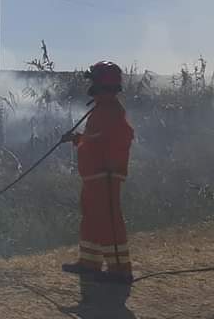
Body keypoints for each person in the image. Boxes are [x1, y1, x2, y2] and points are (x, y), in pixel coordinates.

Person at [61, 61, 134, 282]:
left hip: (105, 175)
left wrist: (78, 139)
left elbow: (110, 139)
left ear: (102, 84)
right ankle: (89, 263)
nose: (90, 85)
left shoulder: (111, 111)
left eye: (93, 80)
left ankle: (119, 269)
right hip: (93, 176)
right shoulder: (102, 109)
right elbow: (94, 139)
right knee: (92, 218)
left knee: (109, 220)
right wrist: (76, 139)